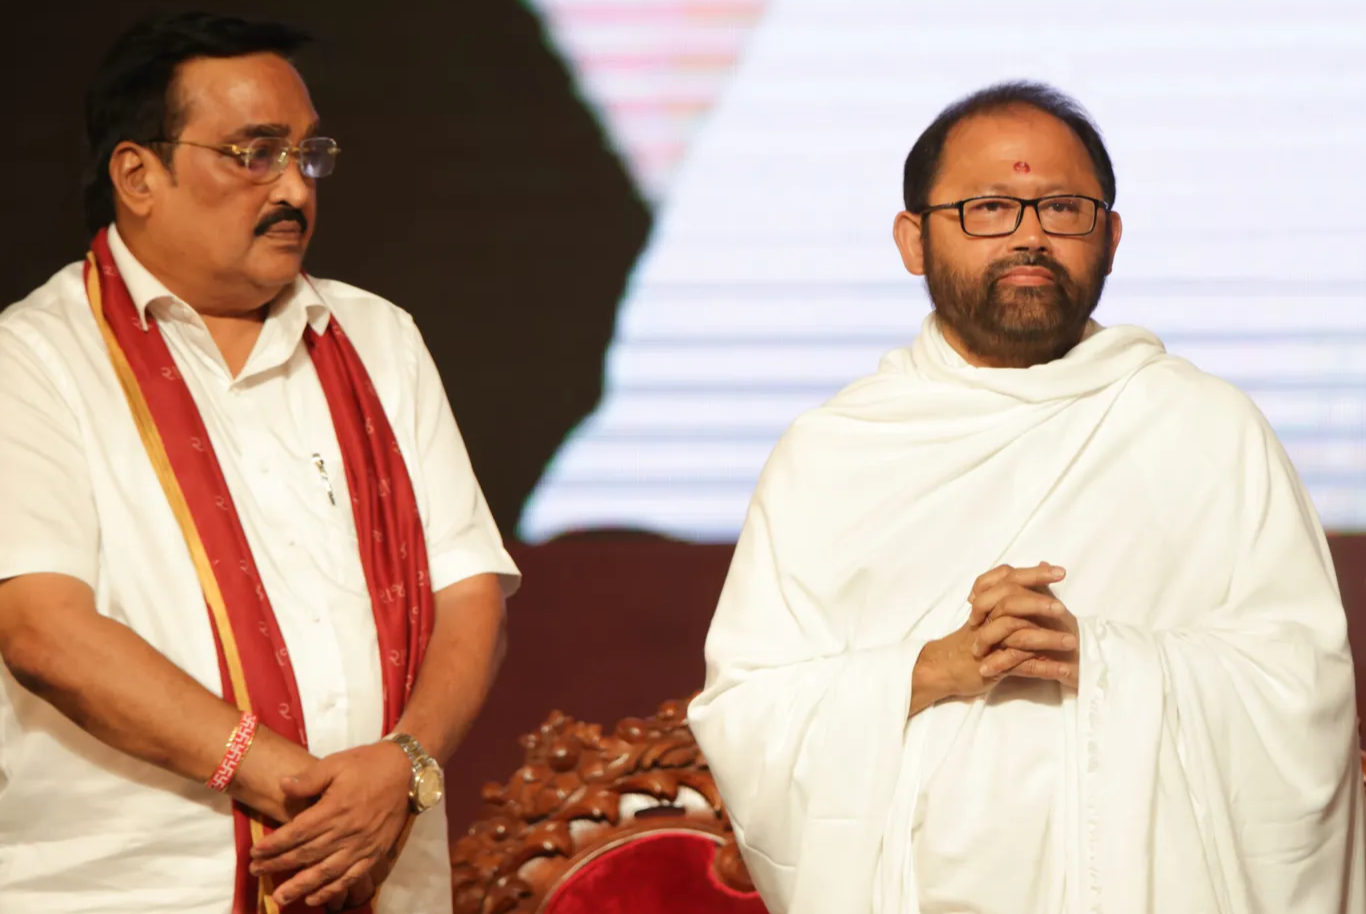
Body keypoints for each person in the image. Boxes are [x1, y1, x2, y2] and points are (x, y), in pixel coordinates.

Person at [688, 81, 1364, 914]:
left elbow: (1303, 693)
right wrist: (936, 668)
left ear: (1111, 237)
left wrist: (1102, 660)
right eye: (989, 209)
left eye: (1064, 209)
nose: (1031, 236)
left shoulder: (1206, 430)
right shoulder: (831, 455)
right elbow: (750, 713)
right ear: (913, 239)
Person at [0, 12, 519, 914]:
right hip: (135, 891)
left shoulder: (379, 339)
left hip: (383, 879)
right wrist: (302, 789)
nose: (294, 188)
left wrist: (403, 765)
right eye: (255, 154)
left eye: (309, 155)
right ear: (138, 176)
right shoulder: (34, 358)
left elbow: (469, 595)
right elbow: (44, 630)